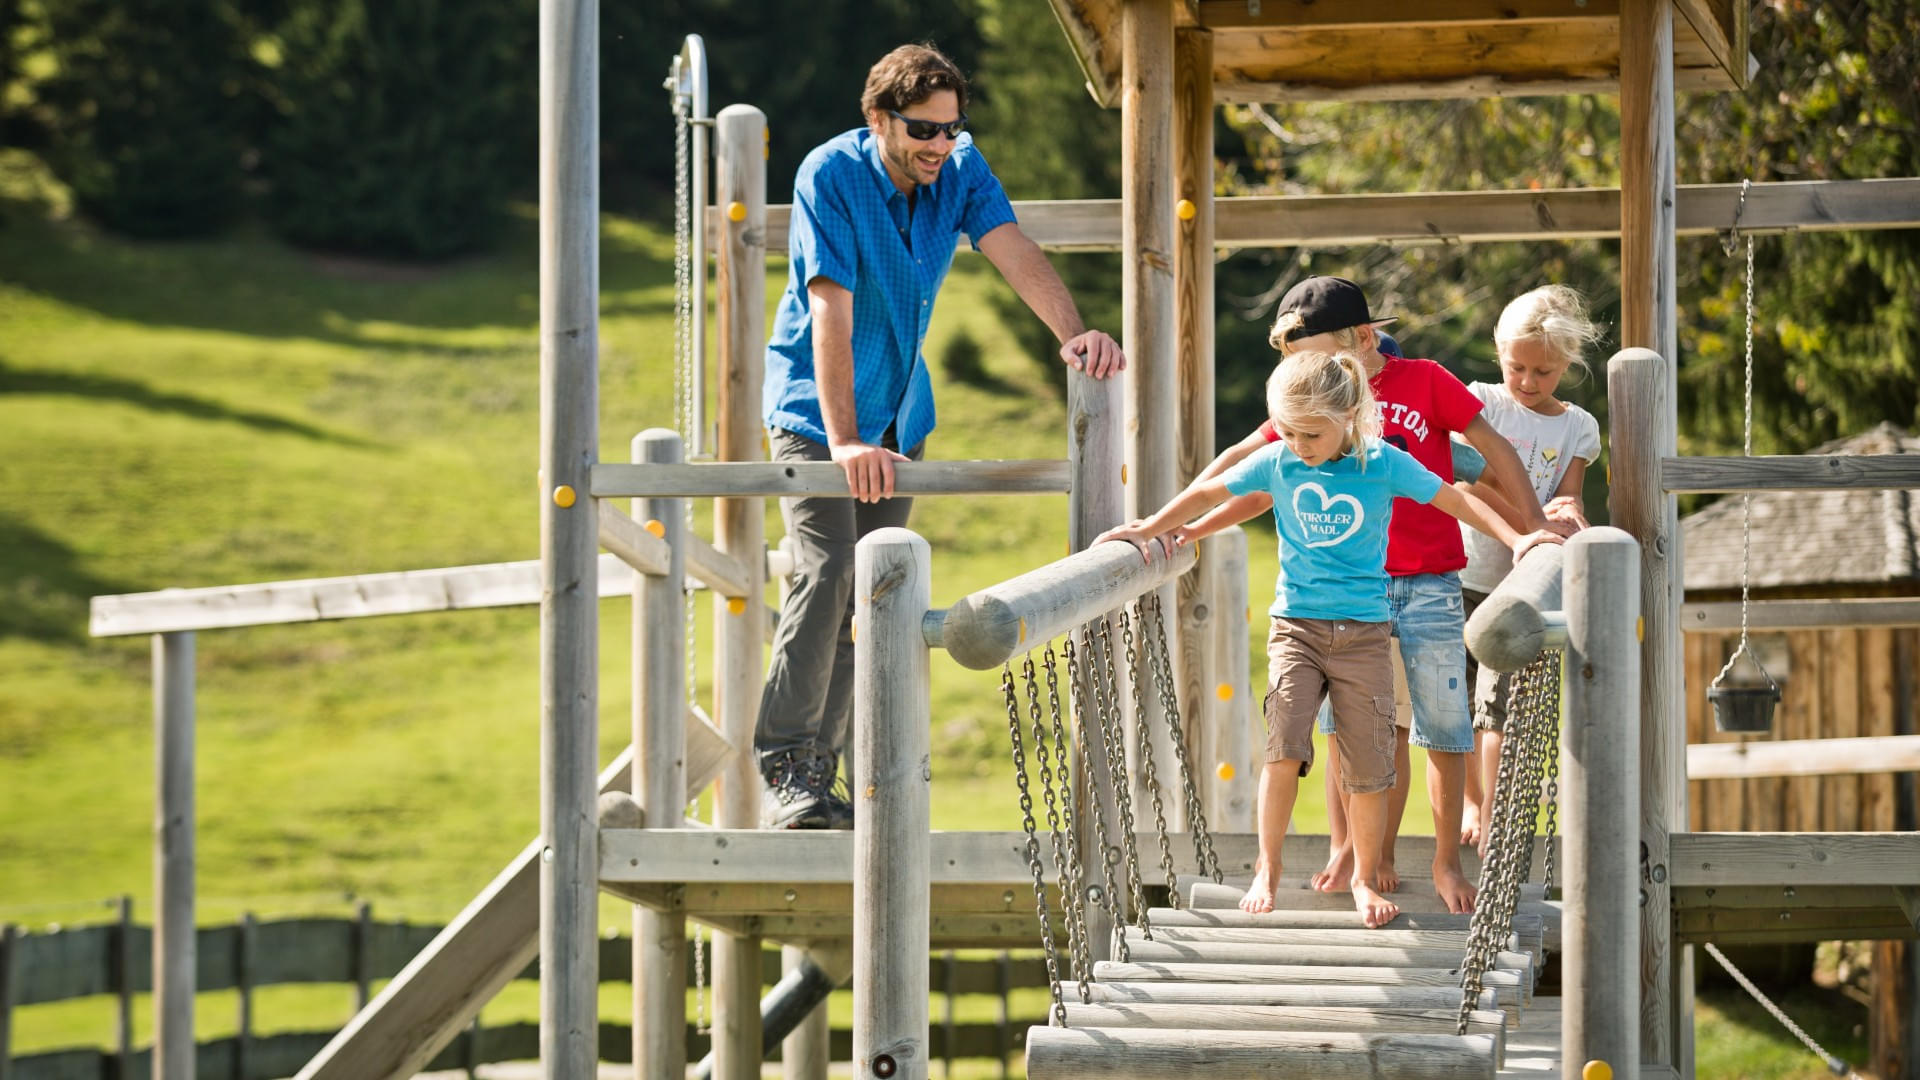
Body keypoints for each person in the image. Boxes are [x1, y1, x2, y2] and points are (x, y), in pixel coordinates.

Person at [755, 44, 1125, 829]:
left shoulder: (956, 167)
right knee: (824, 574)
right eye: (924, 130)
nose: (941, 145)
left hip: (899, 417)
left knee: (873, 592)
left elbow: (1011, 246)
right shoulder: (831, 174)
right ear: (879, 118)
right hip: (817, 415)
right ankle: (790, 764)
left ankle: (830, 789)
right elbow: (830, 309)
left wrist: (1073, 333)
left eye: (953, 129)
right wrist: (846, 440)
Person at [1100, 349, 1561, 927]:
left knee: (1367, 763)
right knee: (1284, 748)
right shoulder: (1279, 459)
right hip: (1296, 627)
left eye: (1311, 433)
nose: (1298, 444)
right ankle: (1267, 867)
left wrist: (1521, 537)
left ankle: (1366, 878)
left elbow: (1455, 498)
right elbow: (1214, 492)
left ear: (1349, 415)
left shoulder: (1382, 462)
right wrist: (1155, 527)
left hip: (1365, 634)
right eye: (1288, 431)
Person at [1458, 286, 1603, 850]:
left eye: (1543, 371)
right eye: (1516, 366)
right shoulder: (1480, 404)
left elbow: (1570, 500)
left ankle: (1493, 815)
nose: (1527, 380)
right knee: (1459, 700)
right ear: (1499, 354)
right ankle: (1471, 803)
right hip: (1464, 572)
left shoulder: (1578, 428)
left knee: (1497, 706)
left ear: (1566, 364)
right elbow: (1470, 481)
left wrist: (1567, 513)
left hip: (1518, 590)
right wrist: (1533, 519)